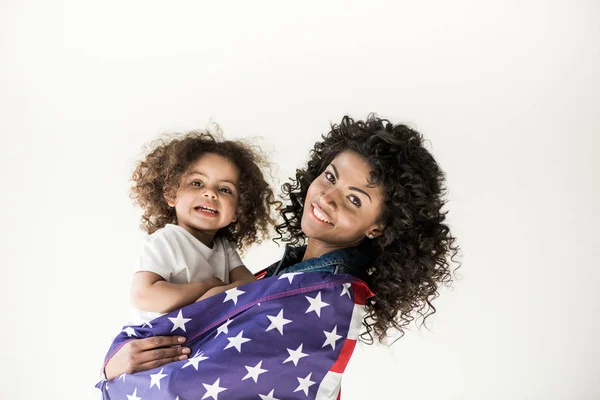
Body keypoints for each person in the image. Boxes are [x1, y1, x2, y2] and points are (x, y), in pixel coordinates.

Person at [102, 115, 459, 380]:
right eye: (330, 177)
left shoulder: (327, 297)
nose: (327, 197)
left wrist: (114, 376)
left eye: (354, 199)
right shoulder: (284, 276)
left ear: (379, 226)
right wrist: (117, 363)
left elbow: (195, 378)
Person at [125, 130, 277, 326]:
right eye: (197, 183)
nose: (210, 193)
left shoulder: (224, 247)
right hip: (153, 338)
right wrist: (208, 286)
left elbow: (249, 286)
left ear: (238, 210)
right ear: (171, 194)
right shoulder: (166, 241)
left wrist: (215, 294)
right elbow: (143, 296)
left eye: (224, 189)